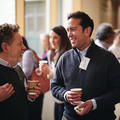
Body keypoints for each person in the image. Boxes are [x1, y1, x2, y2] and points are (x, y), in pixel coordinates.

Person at [51, 11, 120, 120]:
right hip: (69, 117)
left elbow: (118, 90)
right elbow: (55, 86)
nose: (69, 34)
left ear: (87, 31)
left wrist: (94, 103)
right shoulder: (64, 58)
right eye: (68, 30)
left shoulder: (108, 58)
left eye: (73, 30)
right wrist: (65, 95)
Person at [0, 23, 40, 120]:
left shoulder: (17, 68)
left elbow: (20, 98)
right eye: (19, 44)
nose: (24, 47)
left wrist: (30, 95)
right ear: (5, 47)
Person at [40, 25, 72, 120]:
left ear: (63, 39)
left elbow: (66, 77)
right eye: (50, 37)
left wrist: (49, 71)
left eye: (55, 37)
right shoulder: (52, 54)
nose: (51, 40)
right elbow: (52, 75)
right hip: (56, 97)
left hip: (65, 98)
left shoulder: (67, 55)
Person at [21, 36, 49, 120]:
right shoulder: (30, 52)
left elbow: (26, 73)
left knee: (33, 116)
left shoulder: (27, 53)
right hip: (36, 90)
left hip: (33, 90)